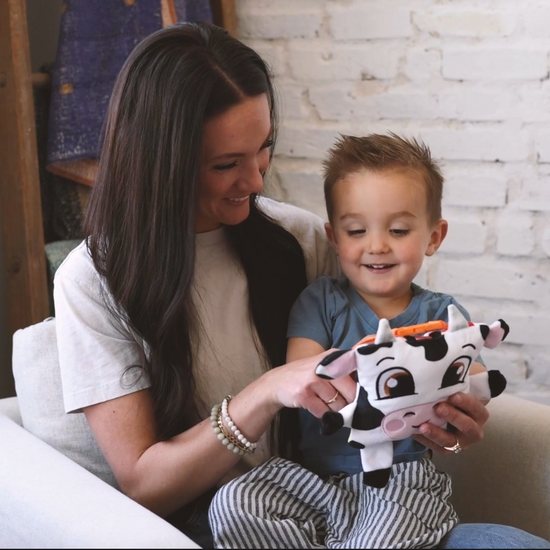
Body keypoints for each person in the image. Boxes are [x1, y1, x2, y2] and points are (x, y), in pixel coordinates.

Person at [50, 20, 549, 550]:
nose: (256, 181)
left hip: (359, 502)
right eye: (226, 164)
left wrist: (445, 427)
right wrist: (266, 392)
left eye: (263, 147)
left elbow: (389, 375)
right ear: (164, 164)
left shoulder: (299, 239)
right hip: (234, 523)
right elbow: (144, 487)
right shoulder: (94, 281)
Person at [210, 133, 486, 548]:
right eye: (356, 231)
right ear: (334, 238)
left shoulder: (441, 314)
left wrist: (462, 395)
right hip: (314, 479)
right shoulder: (321, 301)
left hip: (399, 479)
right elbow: (305, 374)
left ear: (433, 236)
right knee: (235, 502)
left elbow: (475, 378)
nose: (376, 245)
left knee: (377, 539)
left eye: (398, 230)